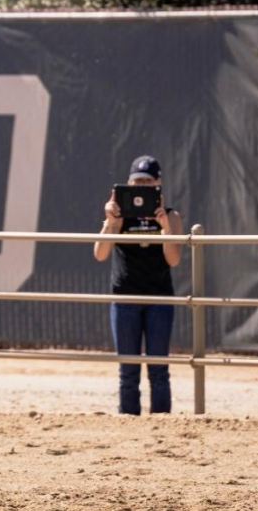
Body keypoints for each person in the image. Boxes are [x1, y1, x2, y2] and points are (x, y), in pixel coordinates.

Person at [93, 155, 183, 415]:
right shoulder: (120, 214)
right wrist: (111, 221)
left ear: (158, 184)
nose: (141, 187)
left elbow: (173, 259)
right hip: (125, 298)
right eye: (137, 182)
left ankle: (161, 422)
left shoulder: (170, 215)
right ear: (128, 185)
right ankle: (128, 422)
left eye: (148, 182)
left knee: (158, 370)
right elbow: (100, 254)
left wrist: (165, 228)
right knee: (128, 371)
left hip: (159, 299)